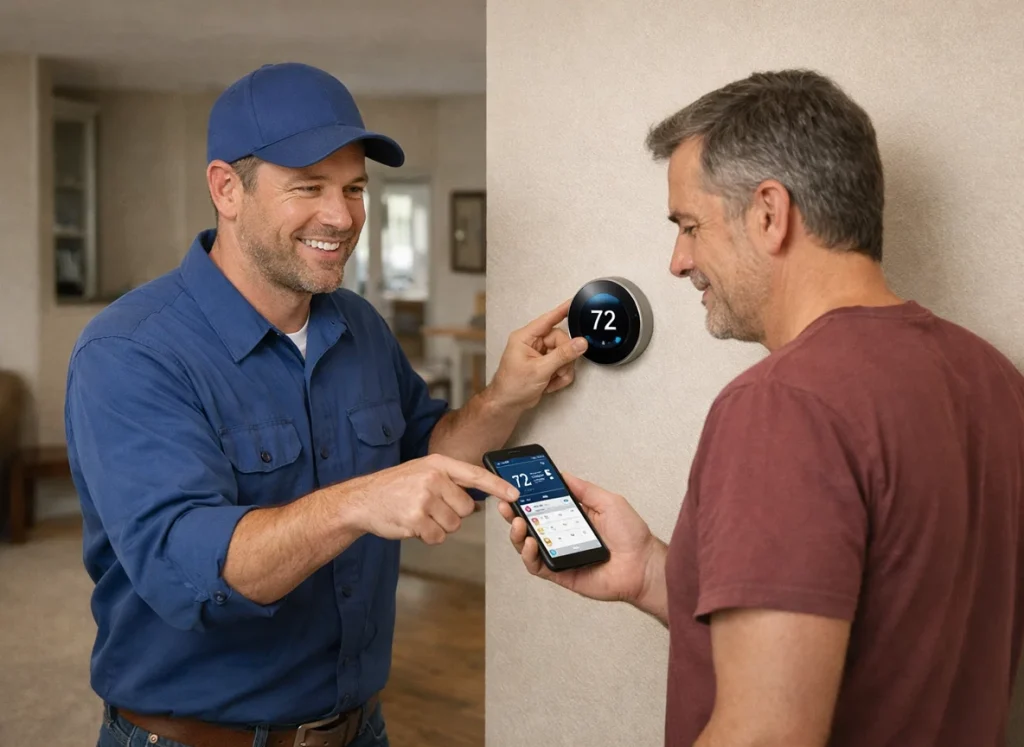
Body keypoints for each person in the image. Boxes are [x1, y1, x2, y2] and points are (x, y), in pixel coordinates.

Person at [497, 69, 1024, 747]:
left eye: (689, 225)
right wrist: (654, 571)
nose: (677, 260)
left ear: (770, 213)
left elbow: (767, 731)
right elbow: (881, 634)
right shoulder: (992, 378)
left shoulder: (783, 406)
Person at [66, 62, 588, 747]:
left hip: (358, 729)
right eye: (307, 187)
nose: (341, 217)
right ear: (227, 188)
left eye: (353, 188)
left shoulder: (359, 326)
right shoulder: (130, 352)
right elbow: (189, 572)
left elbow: (431, 456)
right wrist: (359, 500)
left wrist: (504, 394)